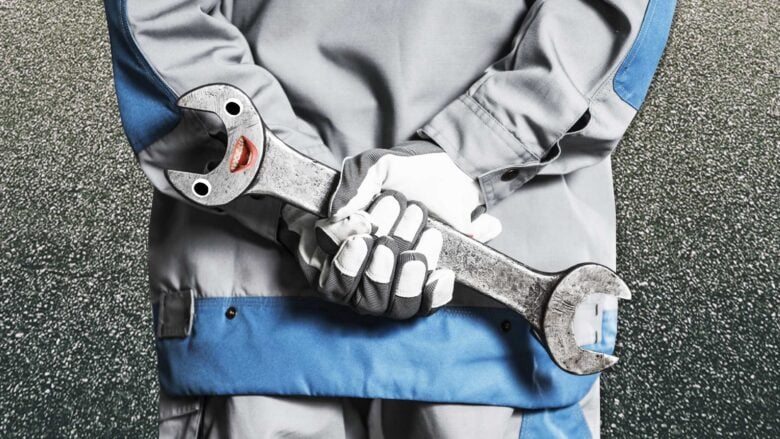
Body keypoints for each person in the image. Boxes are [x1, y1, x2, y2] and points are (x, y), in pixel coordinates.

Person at [104, 0, 675, 437]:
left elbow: (157, 19)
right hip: (500, 323)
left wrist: (310, 199)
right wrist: (469, 153)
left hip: (251, 309)